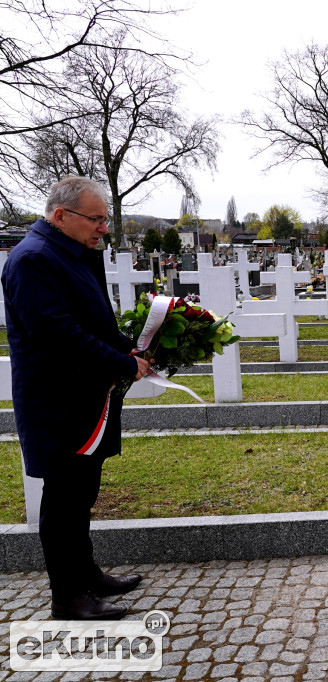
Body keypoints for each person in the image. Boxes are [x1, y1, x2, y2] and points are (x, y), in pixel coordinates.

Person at [2, 177, 149, 620]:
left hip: (85, 396)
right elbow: (59, 334)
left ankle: (86, 572)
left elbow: (91, 318)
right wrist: (123, 365)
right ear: (61, 215)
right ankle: (67, 596)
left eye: (105, 219)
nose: (104, 228)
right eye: (96, 219)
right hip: (57, 402)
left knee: (81, 492)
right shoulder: (32, 260)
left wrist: (127, 345)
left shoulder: (72, 252)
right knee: (63, 500)